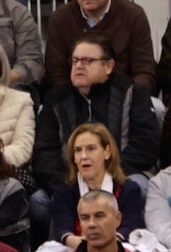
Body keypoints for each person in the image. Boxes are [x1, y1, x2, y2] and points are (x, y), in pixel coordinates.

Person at [35, 37, 157, 201]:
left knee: (140, 187)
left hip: (123, 175)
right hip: (70, 182)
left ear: (108, 66)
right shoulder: (57, 99)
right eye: (75, 60)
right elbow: (45, 153)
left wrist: (107, 176)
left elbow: (145, 146)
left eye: (87, 61)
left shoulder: (132, 93)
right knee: (39, 201)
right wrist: (69, 183)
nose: (78, 66)